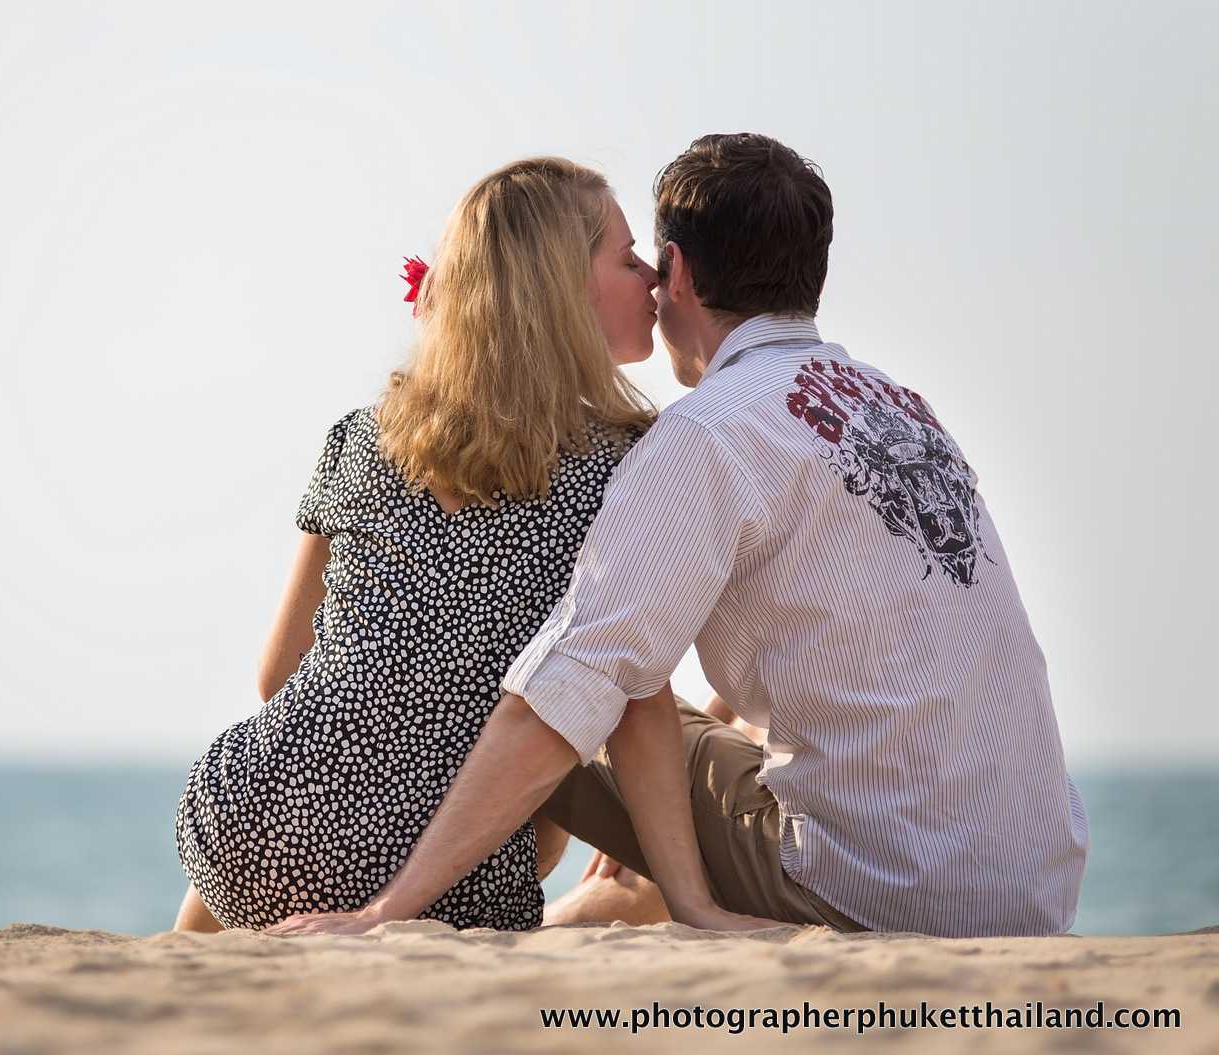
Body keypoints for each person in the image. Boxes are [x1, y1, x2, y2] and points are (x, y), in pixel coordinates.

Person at [271, 133, 1090, 939]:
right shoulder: (900, 408)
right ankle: (610, 904)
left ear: (680, 271)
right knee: (655, 722)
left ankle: (510, 903)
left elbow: (571, 686)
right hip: (1028, 891)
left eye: (649, 264)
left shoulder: (708, 431)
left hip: (884, 894)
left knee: (541, 676)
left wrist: (383, 915)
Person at [174, 157, 755, 931]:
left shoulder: (361, 437)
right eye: (626, 259)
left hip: (240, 823)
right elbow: (636, 697)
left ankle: (181, 949)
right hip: (434, 877)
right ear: (562, 288)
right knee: (549, 773)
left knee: (301, 777)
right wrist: (688, 897)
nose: (652, 276)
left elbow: (277, 672)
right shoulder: (624, 463)